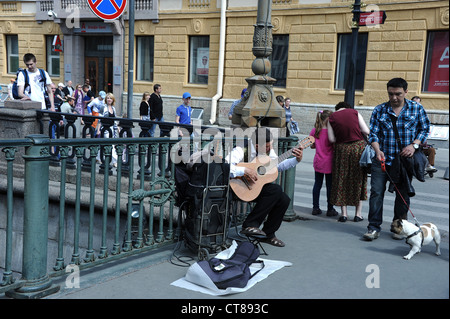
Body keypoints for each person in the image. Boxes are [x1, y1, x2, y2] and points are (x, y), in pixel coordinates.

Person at [363, 78, 430, 241]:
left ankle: (398, 227)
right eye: (391, 94)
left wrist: (414, 145)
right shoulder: (380, 110)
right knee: (376, 193)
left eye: (398, 94)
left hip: (404, 162)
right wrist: (377, 150)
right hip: (382, 159)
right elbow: (373, 134)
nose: (394, 97)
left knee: (402, 195)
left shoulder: (416, 108)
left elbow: (425, 128)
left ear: (406, 92)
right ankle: (373, 227)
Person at [226, 127, 304, 247]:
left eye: (271, 145)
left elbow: (277, 166)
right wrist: (244, 170)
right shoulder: (241, 149)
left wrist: (296, 160)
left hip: (255, 188)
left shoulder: (267, 151)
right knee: (276, 190)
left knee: (284, 199)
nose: (270, 149)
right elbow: (225, 166)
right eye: (267, 147)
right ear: (257, 146)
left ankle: (268, 234)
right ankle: (249, 225)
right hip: (238, 187)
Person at [327, 101, 370, 222]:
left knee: (342, 179)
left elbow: (331, 139)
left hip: (342, 150)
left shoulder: (331, 117)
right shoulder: (355, 113)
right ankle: (358, 214)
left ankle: (344, 214)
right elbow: (366, 131)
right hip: (358, 148)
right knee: (358, 180)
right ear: (348, 108)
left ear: (337, 108)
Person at [309, 110, 338, 217]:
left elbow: (311, 146)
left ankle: (315, 207)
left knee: (317, 184)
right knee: (330, 186)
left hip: (318, 161)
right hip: (329, 162)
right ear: (328, 120)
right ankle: (330, 209)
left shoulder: (315, 130)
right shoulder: (332, 132)